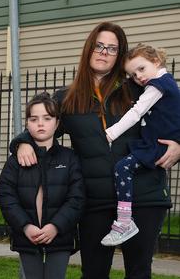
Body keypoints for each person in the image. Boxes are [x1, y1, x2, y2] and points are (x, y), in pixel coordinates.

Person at [10, 22, 180, 278]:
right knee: (94, 272)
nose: (104, 52)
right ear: (89, 49)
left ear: (120, 55)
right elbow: (40, 122)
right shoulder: (67, 98)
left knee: (139, 271)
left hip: (144, 194)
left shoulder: (139, 88)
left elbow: (174, 113)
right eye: (99, 46)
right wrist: (22, 141)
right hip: (94, 200)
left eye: (112, 48)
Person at [100, 44, 180, 246]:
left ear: (156, 61)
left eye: (141, 69)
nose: (139, 77)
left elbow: (136, 113)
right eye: (133, 74)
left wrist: (110, 134)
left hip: (156, 146)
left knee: (122, 168)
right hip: (155, 143)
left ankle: (125, 221)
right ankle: (126, 220)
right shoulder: (168, 83)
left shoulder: (157, 86)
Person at [0, 92, 84, 279]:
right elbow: (6, 197)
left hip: (60, 236)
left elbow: (76, 199)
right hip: (27, 236)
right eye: (34, 119)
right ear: (27, 124)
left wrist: (56, 226)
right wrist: (25, 226)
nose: (40, 123)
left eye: (47, 118)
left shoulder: (69, 158)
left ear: (57, 123)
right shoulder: (16, 161)